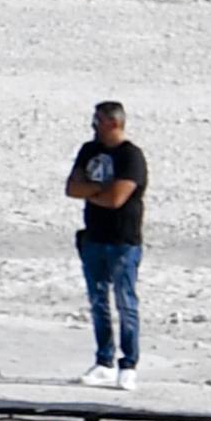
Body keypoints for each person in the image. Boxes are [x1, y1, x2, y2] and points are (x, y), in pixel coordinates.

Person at [64, 100, 148, 389]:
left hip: (123, 240)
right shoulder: (89, 150)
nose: (94, 126)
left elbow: (116, 199)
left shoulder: (130, 156)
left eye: (98, 121)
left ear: (113, 123)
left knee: (126, 302)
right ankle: (104, 361)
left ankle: (129, 364)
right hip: (93, 237)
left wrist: (93, 191)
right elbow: (72, 187)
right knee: (98, 301)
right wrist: (100, 189)